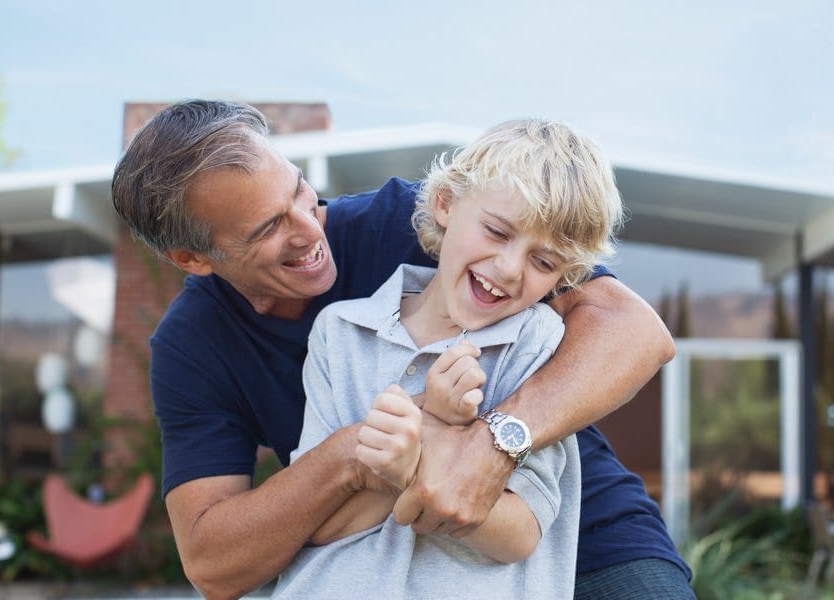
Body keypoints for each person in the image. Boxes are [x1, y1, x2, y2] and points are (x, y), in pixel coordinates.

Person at [111, 99, 693, 599]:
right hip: (374, 562)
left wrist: (492, 443)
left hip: (581, 530)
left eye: (300, 191)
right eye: (268, 228)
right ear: (193, 259)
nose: (312, 230)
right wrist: (368, 451)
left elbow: (635, 330)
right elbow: (214, 563)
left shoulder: (414, 221)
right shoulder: (196, 347)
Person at [275, 119, 621, 599]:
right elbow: (319, 524)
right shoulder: (341, 331)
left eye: (544, 262)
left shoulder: (539, 340)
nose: (509, 268)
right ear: (445, 204)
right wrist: (431, 430)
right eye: (497, 232)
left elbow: (520, 533)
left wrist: (410, 466)